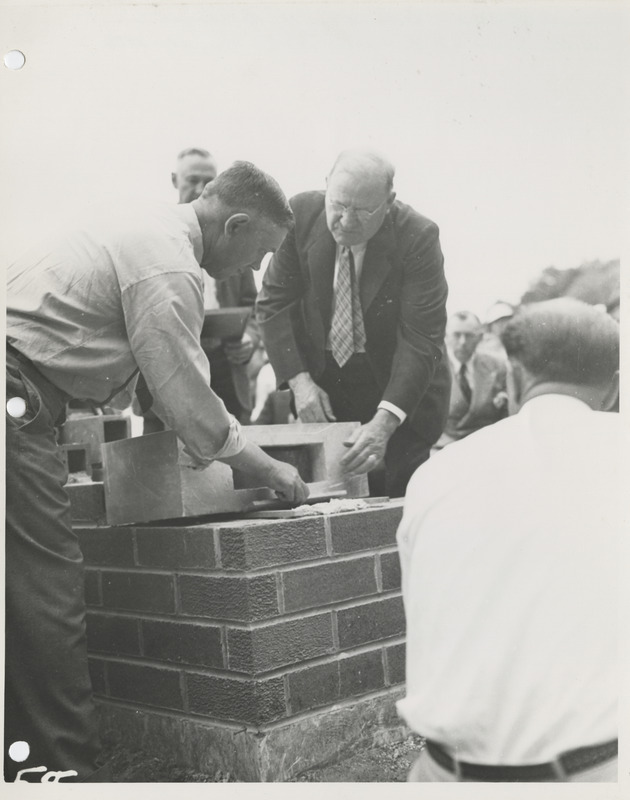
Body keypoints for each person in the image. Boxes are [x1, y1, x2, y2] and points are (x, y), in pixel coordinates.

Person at [5, 161, 309, 782]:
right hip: (12, 398)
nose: (254, 271)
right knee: (46, 590)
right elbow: (185, 393)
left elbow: (151, 382)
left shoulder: (141, 225)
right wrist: (264, 467)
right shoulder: (171, 262)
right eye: (260, 253)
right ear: (237, 223)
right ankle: (62, 773)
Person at [396, 298, 620, 782]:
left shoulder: (437, 475)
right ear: (613, 390)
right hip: (598, 773)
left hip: (444, 774)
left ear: (513, 378)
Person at [256, 149, 451, 497]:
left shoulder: (418, 235)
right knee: (332, 501)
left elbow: (420, 339)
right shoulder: (299, 215)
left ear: (389, 202)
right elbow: (273, 305)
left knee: (398, 499)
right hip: (326, 383)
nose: (346, 221)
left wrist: (384, 423)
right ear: (326, 186)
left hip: (399, 388)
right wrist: (301, 384)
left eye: (362, 211)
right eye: (339, 205)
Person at [138, 148, 260, 428]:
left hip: (225, 367)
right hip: (169, 373)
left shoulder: (234, 235)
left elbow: (254, 304)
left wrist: (250, 339)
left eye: (208, 181)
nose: (200, 189)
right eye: (192, 179)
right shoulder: (156, 235)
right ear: (174, 180)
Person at [432, 310, 508, 450]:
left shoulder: (497, 366)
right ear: (445, 336)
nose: (462, 342)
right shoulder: (432, 369)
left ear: (480, 338)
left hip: (487, 447)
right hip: (443, 450)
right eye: (457, 335)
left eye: (469, 336)